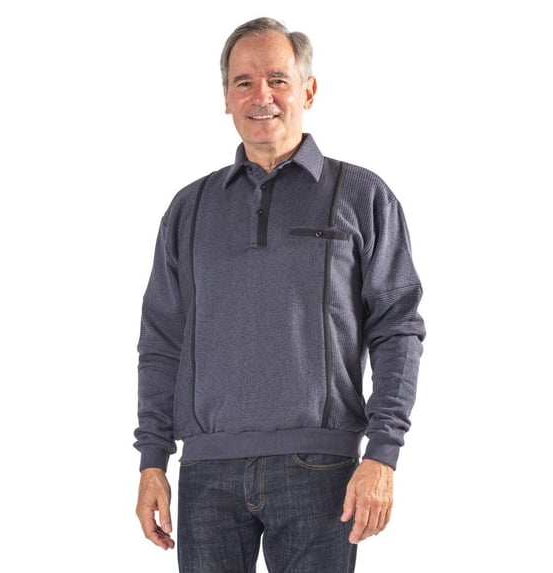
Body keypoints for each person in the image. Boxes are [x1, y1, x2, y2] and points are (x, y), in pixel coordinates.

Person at [134, 16, 425, 572]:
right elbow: (162, 340)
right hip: (206, 475)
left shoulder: (361, 195)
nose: (260, 95)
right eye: (243, 82)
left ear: (308, 90)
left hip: (321, 470)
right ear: (226, 97)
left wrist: (383, 454)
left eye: (277, 79)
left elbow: (398, 328)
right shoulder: (190, 208)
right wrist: (152, 461)